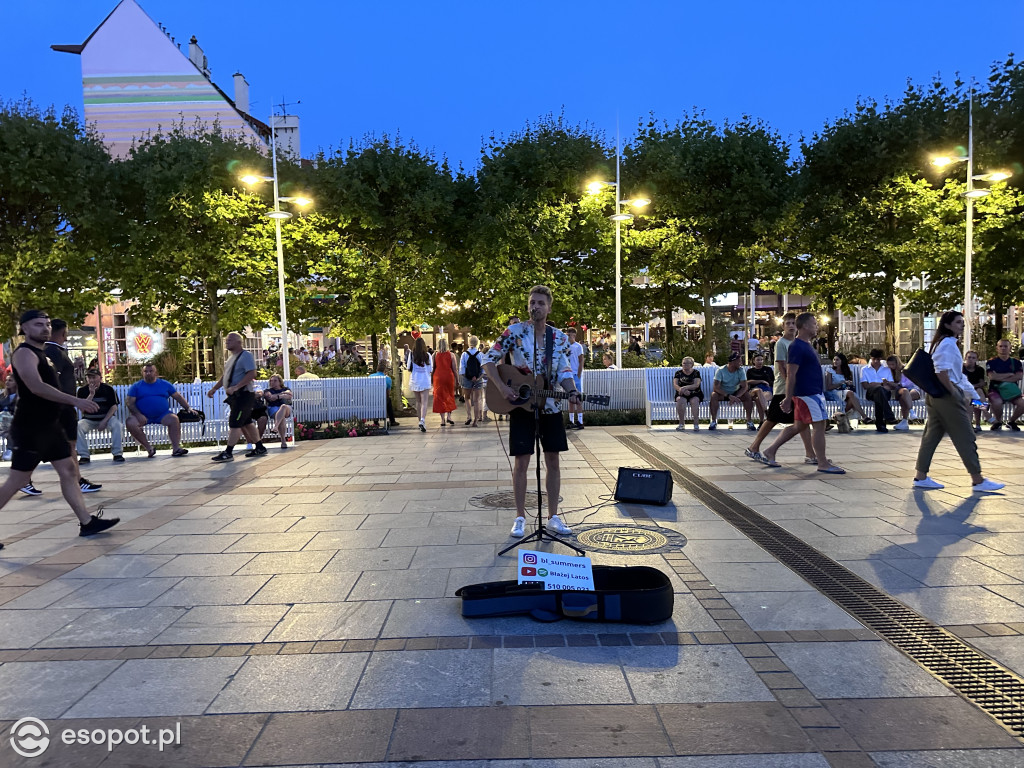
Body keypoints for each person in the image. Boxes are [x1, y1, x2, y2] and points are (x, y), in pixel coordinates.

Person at [0, 310, 118, 547]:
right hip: (31, 427)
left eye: (46, 324)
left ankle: (87, 522)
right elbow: (36, 387)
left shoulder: (42, 354)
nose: (45, 328)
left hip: (49, 426)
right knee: (16, 481)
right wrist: (75, 400)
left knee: (68, 470)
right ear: (24, 328)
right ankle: (86, 522)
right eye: (38, 325)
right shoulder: (24, 353)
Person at [485, 285, 579, 538]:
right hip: (521, 405)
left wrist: (572, 391)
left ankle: (553, 517)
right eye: (532, 302)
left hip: (549, 407)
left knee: (553, 461)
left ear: (549, 308)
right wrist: (503, 387)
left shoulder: (558, 338)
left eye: (540, 303)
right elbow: (488, 360)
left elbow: (565, 371)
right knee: (522, 462)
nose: (535, 306)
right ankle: (519, 517)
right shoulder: (515, 332)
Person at [913, 311, 1004, 492]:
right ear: (947, 325)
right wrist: (953, 392)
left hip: (938, 396)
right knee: (965, 436)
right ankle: (978, 480)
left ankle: (920, 477)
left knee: (931, 437)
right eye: (958, 322)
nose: (962, 325)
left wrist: (979, 403)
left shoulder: (944, 343)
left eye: (962, 322)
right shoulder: (947, 344)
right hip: (947, 397)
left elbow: (960, 378)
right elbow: (942, 372)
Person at [759, 313, 845, 473]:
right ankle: (822, 462)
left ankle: (770, 451)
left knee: (798, 426)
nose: (817, 326)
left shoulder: (806, 344)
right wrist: (787, 397)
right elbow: (791, 373)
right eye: (814, 324)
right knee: (819, 426)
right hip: (808, 394)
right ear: (805, 326)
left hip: (810, 393)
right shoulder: (797, 346)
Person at [746, 312, 816, 465]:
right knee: (773, 419)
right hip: (783, 388)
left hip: (796, 388)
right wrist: (790, 384)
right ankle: (754, 447)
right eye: (788, 323)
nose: (791, 326)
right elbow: (782, 366)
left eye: (793, 323)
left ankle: (810, 454)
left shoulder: (799, 342)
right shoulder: (782, 343)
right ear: (783, 326)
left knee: (800, 420)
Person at [44, 319, 101, 495]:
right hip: (62, 405)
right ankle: (76, 481)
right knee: (67, 445)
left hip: (64, 404)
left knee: (67, 445)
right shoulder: (52, 351)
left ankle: (76, 480)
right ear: (63, 332)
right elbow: (52, 380)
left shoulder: (56, 351)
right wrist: (72, 401)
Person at [207, 333, 265, 461]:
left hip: (243, 395)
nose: (227, 342)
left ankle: (228, 452)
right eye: (226, 340)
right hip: (236, 396)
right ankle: (260, 447)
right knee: (246, 422)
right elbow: (226, 376)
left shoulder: (246, 356)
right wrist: (215, 388)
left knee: (234, 423)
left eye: (230, 340)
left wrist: (237, 387)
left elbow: (251, 373)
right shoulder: (231, 358)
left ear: (239, 342)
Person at [126, 363, 194, 458]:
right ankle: (149, 448)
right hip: (143, 416)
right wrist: (138, 414)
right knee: (130, 423)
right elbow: (130, 403)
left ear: (156, 373)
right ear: (142, 373)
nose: (148, 373)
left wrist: (188, 408)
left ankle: (176, 449)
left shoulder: (164, 384)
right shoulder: (136, 386)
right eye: (146, 371)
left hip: (162, 415)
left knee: (174, 419)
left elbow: (178, 397)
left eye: (151, 371)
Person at [76, 369, 124, 463]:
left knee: (118, 425)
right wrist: (91, 394)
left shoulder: (108, 389)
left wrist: (104, 421)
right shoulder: (82, 390)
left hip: (107, 418)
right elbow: (83, 410)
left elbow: (114, 407)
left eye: (94, 377)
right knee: (78, 426)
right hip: (89, 419)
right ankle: (84, 456)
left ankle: (117, 453)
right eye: (89, 377)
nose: (91, 380)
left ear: (100, 378)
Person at [709, 352, 755, 430]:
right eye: (739, 361)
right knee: (714, 395)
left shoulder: (741, 370)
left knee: (747, 396)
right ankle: (713, 421)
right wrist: (728, 396)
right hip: (723, 393)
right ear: (733, 362)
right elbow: (716, 387)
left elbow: (745, 386)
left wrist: (735, 397)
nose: (741, 363)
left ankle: (749, 421)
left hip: (736, 393)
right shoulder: (721, 370)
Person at [986, 339, 1024, 431]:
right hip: (995, 390)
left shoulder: (1016, 362)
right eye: (1000, 346)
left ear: (1010, 348)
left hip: (1011, 391)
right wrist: (1009, 374)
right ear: (997, 348)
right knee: (997, 402)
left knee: (1023, 403)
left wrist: (999, 377)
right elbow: (992, 377)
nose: (1003, 348)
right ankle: (998, 422)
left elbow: (1019, 377)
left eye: (1005, 346)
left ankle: (1011, 422)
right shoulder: (991, 362)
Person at [824, 353, 868, 426]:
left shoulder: (848, 372)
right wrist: (840, 383)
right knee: (851, 394)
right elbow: (829, 387)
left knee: (852, 398)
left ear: (842, 361)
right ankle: (864, 416)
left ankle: (843, 416)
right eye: (834, 360)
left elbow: (850, 386)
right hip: (833, 392)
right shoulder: (830, 371)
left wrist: (849, 383)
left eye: (837, 360)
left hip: (845, 393)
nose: (835, 361)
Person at [860, 349, 897, 433]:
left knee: (879, 395)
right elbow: (865, 386)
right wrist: (881, 384)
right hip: (870, 393)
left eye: (878, 359)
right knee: (879, 391)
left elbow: (890, 385)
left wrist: (875, 384)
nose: (876, 361)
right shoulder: (864, 369)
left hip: (884, 393)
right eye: (874, 359)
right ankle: (888, 417)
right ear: (871, 358)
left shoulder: (886, 369)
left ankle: (880, 424)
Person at [885, 355, 917, 431]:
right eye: (889, 365)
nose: (891, 366)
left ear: (897, 363)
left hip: (912, 388)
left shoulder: (906, 369)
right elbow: (897, 386)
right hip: (901, 391)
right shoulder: (891, 372)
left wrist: (898, 384)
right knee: (905, 392)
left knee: (906, 396)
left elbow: (910, 382)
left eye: (892, 364)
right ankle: (912, 411)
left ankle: (904, 422)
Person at [431, 338, 458, 427]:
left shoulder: (434, 355)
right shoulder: (451, 355)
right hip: (448, 376)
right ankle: (449, 416)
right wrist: (457, 379)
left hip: (438, 377)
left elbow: (433, 368)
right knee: (449, 396)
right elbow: (454, 369)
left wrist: (431, 379)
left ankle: (442, 420)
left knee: (439, 397)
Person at [408, 337, 433, 432]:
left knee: (418, 401)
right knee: (424, 402)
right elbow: (431, 369)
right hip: (425, 380)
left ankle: (420, 421)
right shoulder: (427, 355)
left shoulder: (412, 355)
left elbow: (408, 367)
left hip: (415, 380)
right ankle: (422, 420)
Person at [459, 335, 485, 427]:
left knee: (467, 398)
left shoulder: (464, 354)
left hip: (467, 379)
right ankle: (476, 420)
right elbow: (483, 369)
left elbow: (461, 370)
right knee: (477, 400)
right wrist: (477, 378)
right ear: (478, 343)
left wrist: (468, 377)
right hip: (478, 379)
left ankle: (469, 416)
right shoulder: (481, 355)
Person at [262, 374, 293, 449]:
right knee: (281, 417)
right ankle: (283, 441)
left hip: (286, 409)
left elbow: (289, 395)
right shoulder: (268, 391)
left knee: (283, 407)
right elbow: (270, 397)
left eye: (275, 381)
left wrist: (278, 396)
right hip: (273, 409)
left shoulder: (286, 388)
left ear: (280, 382)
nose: (272, 383)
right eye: (271, 381)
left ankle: (275, 427)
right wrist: (282, 395)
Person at [673, 356, 704, 431]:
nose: (685, 365)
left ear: (692, 364)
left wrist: (685, 388)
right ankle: (681, 423)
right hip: (681, 393)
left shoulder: (696, 373)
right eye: (684, 363)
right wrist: (682, 389)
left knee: (694, 401)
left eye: (687, 363)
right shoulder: (678, 373)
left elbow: (696, 385)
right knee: (680, 401)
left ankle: (696, 423)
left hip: (695, 392)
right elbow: (675, 385)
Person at [962, 350, 988, 433]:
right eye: (969, 357)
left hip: (975, 391)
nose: (971, 359)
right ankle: (986, 413)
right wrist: (972, 387)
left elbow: (982, 383)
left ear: (976, 359)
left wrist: (972, 386)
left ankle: (974, 425)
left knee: (978, 393)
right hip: (964, 392)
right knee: (973, 399)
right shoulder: (961, 368)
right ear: (965, 358)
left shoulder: (979, 369)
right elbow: (961, 383)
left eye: (973, 358)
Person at [566, 328, 586, 430]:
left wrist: (578, 374)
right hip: (568, 374)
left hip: (575, 374)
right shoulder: (566, 346)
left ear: (574, 335)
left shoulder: (578, 346)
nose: (568, 337)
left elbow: (581, 360)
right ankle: (571, 420)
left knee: (578, 398)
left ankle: (580, 420)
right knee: (570, 398)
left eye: (570, 335)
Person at [745, 352, 774, 422]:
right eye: (758, 360)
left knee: (758, 399)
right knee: (758, 390)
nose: (760, 362)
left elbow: (773, 381)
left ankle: (761, 421)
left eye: (761, 360)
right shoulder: (750, 371)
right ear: (753, 361)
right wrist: (761, 381)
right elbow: (747, 382)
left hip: (767, 389)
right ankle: (766, 412)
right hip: (754, 390)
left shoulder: (768, 369)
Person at [369, 362, 398, 427]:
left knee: (376, 402)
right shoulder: (387, 379)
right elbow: (388, 392)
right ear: (385, 370)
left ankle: (375, 422)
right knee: (388, 400)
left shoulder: (370, 377)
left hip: (370, 400)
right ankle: (392, 421)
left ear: (377, 369)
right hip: (382, 400)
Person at [1, 374, 18, 462]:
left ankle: (10, 450)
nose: (7, 382)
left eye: (10, 380)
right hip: (2, 422)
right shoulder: (3, 396)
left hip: (14, 422)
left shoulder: (20, 397)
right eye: (7, 380)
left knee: (11, 429)